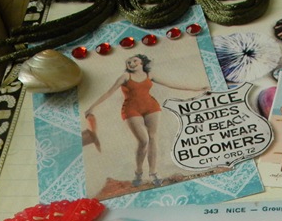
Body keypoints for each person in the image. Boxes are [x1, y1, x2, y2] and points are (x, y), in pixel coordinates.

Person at [84, 54, 207, 188]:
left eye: (134, 61)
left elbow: (171, 84)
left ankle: (153, 173)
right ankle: (138, 173)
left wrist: (197, 89)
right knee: (144, 141)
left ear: (142, 62)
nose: (131, 63)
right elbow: (109, 92)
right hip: (131, 109)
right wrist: (91, 107)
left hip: (151, 107)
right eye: (128, 62)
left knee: (153, 138)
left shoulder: (149, 75)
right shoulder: (125, 76)